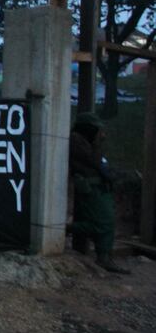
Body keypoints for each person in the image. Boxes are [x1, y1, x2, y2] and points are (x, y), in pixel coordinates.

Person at [68, 112, 130, 274]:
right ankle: (62, 230)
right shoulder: (76, 141)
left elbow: (100, 164)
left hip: (98, 188)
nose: (101, 134)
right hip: (91, 189)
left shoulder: (85, 142)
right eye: (96, 130)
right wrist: (97, 143)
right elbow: (94, 161)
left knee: (105, 223)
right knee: (101, 224)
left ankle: (104, 256)